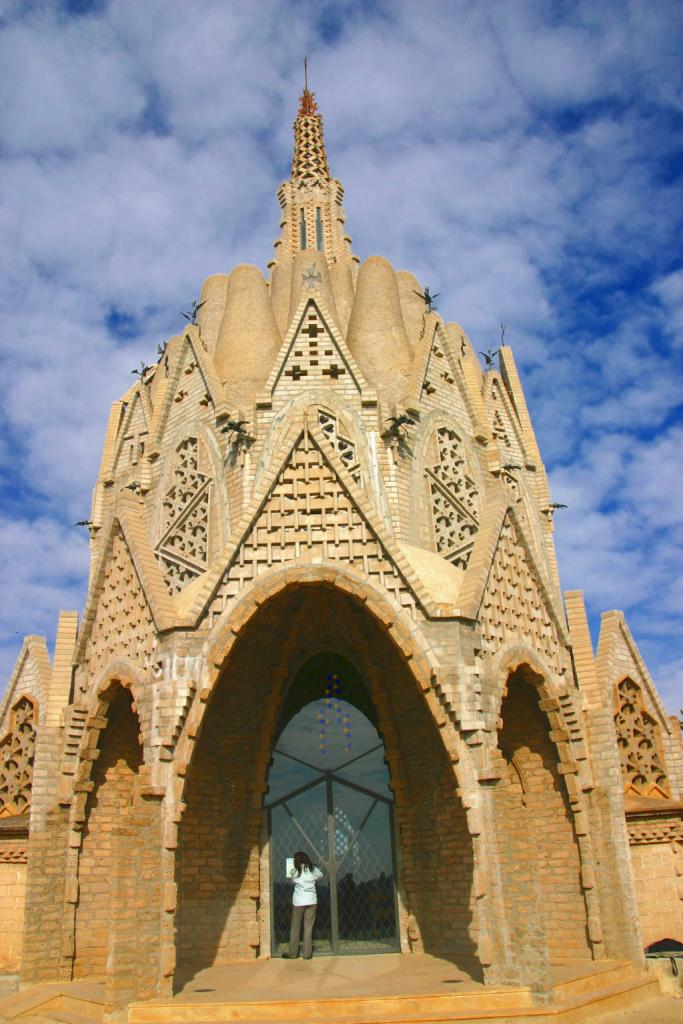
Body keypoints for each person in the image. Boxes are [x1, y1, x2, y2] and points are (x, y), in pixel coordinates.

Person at [282, 850, 323, 960]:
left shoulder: (295, 871)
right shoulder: (313, 869)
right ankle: (307, 954)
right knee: (308, 928)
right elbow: (321, 876)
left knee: (295, 928)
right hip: (311, 902)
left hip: (298, 902)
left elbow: (292, 881)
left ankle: (293, 954)